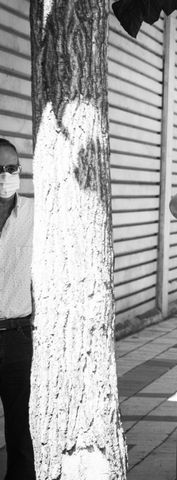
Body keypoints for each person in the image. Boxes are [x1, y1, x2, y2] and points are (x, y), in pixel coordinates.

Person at [0, 138, 36, 480]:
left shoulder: (35, 215)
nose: (5, 175)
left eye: (11, 168)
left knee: (22, 432)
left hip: (18, 338)